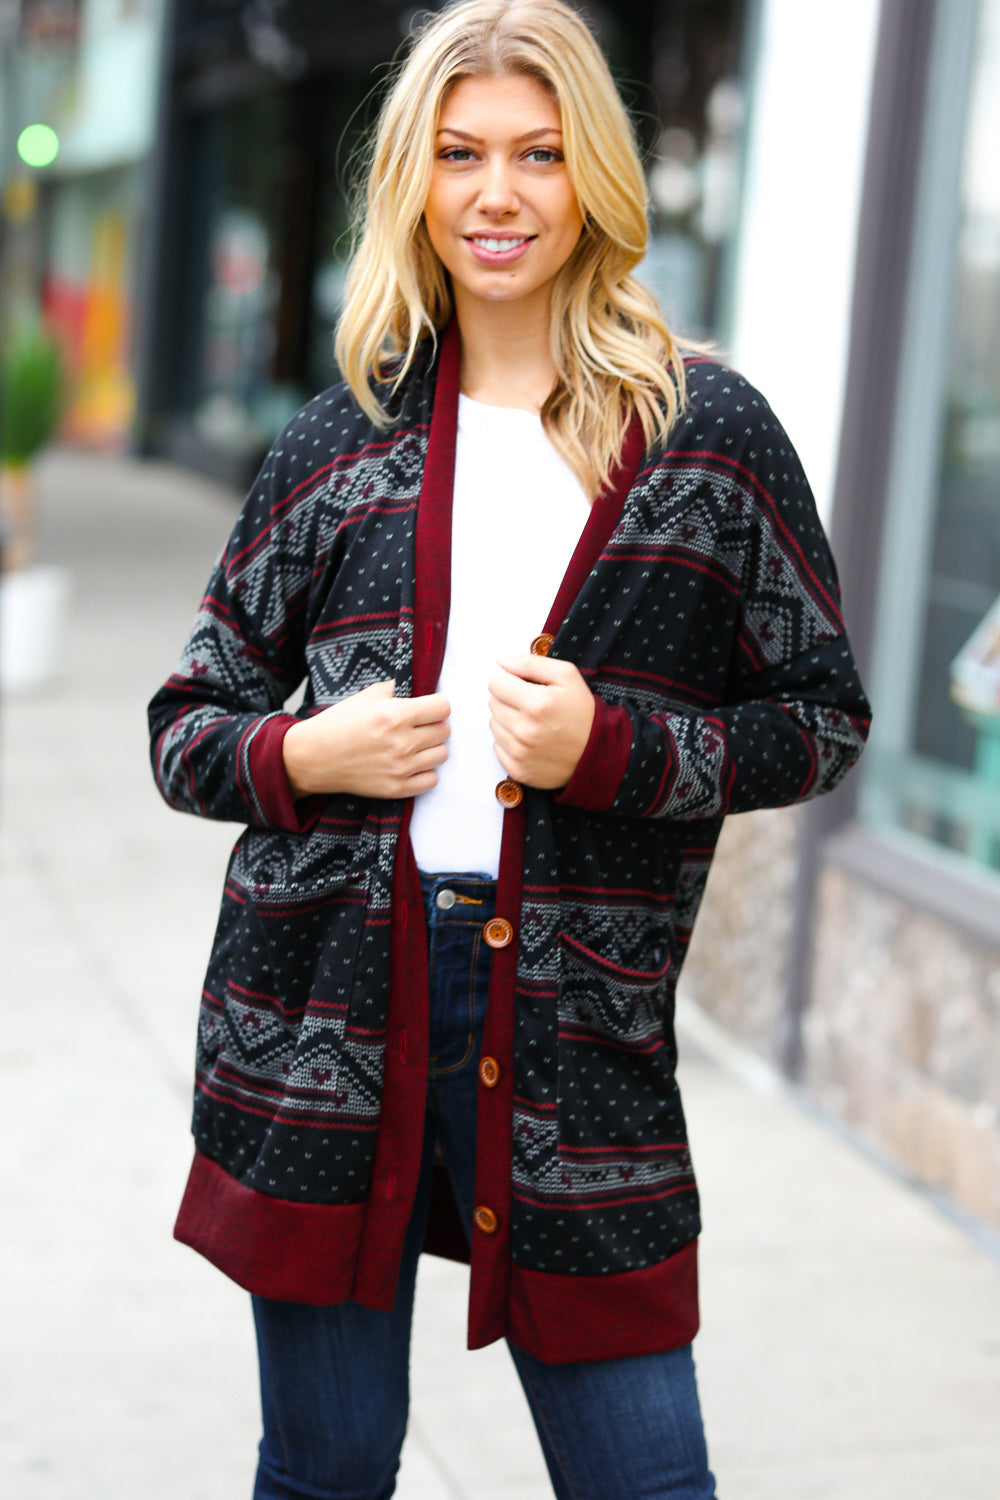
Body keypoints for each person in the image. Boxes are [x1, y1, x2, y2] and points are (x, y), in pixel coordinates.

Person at [148, 2, 871, 1495]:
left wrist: (615, 748)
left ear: (593, 175)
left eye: (539, 154)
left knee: (644, 1476)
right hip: (324, 1017)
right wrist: (308, 755)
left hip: (574, 1037)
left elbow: (821, 718)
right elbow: (186, 724)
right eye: (461, 153)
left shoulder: (704, 439)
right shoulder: (338, 442)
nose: (499, 193)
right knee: (327, 1468)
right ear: (412, 181)